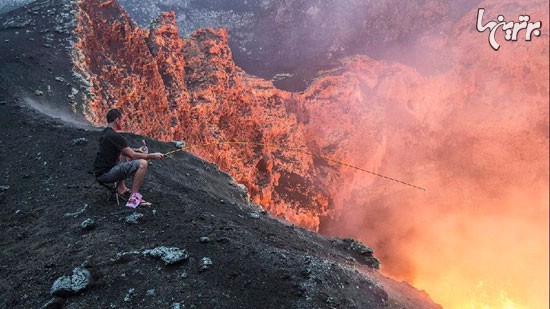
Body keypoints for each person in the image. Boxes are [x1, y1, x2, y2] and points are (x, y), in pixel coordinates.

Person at [94, 109, 164, 208]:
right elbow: (133, 156)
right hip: (106, 174)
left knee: (123, 155)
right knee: (142, 163)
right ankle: (133, 198)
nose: (122, 122)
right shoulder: (115, 136)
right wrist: (152, 156)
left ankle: (121, 188)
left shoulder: (106, 133)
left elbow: (125, 150)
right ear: (117, 120)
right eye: (121, 120)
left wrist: (138, 150)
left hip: (100, 172)